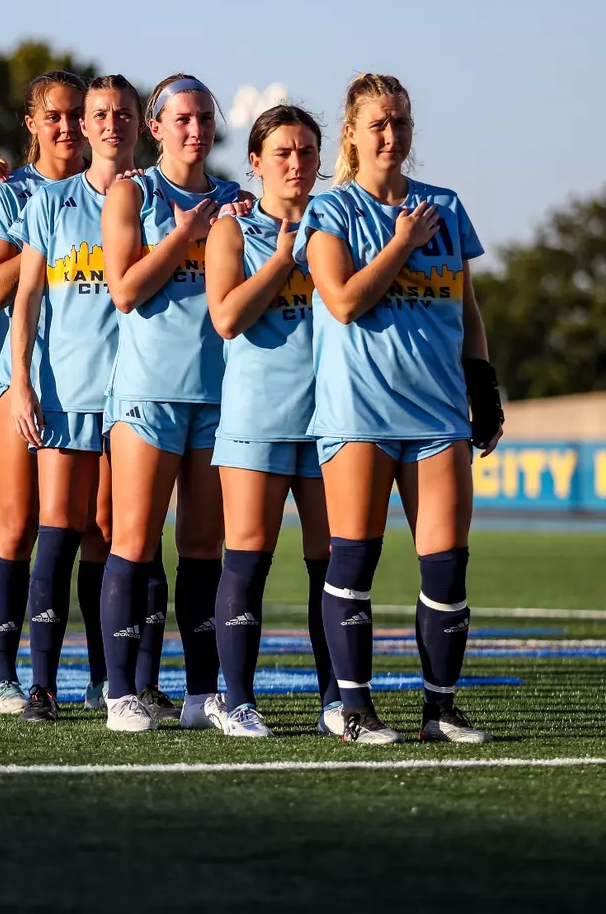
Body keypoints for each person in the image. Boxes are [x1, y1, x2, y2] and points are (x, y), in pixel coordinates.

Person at [302, 73, 504, 745]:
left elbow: (466, 308)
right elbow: (343, 300)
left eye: (401, 124)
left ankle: (440, 709)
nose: (391, 135)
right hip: (359, 413)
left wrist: (483, 386)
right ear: (352, 135)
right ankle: (352, 708)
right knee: (353, 562)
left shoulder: (444, 206)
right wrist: (400, 242)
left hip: (438, 415)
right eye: (378, 125)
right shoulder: (331, 211)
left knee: (447, 563)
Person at [97, 74, 242, 732]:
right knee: (133, 541)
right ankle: (121, 692)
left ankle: (198, 694)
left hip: (219, 397)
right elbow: (124, 290)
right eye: (182, 118)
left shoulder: (237, 201)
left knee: (204, 548)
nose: (196, 128)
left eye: (205, 117)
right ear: (156, 127)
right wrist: (184, 235)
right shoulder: (132, 191)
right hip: (149, 392)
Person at [0, 74, 136, 721]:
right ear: (84, 127)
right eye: (95, 115)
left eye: (118, 114)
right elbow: (23, 299)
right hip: (64, 393)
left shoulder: (150, 200)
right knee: (57, 530)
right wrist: (23, 382)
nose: (106, 124)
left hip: (134, 396)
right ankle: (43, 685)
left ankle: (117, 681)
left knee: (116, 534)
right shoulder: (50, 203)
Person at [205, 104, 335, 738]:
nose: (295, 163)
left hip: (334, 419)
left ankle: (338, 701)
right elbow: (226, 317)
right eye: (281, 152)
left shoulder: (338, 224)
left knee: (332, 563)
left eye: (307, 151)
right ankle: (237, 701)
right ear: (254, 163)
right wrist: (282, 261)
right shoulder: (234, 231)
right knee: (247, 559)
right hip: (256, 417)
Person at [0, 71, 88, 717]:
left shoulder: (115, 190)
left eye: (77, 115)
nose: (68, 127)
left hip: (96, 382)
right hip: (24, 378)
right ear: (32, 124)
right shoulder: (11, 192)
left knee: (91, 530)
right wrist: (54, 234)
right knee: (15, 525)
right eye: (54, 116)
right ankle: (3, 674)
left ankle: (105, 674)